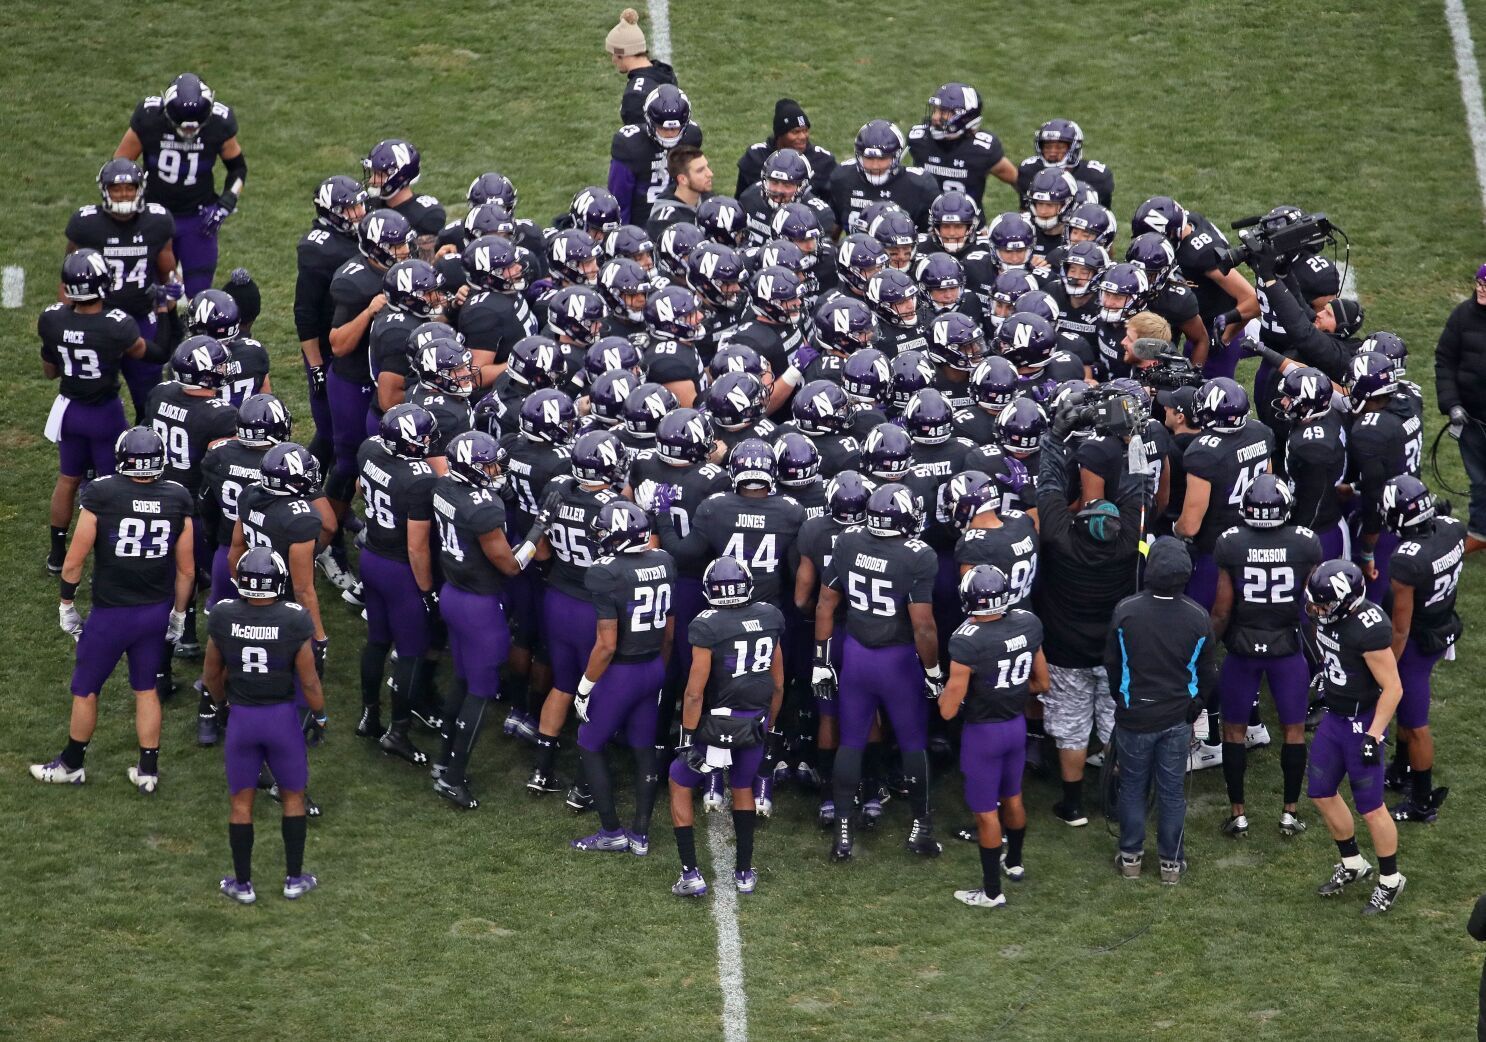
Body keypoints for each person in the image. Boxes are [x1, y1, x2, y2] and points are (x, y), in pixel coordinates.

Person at [30, 427, 194, 794]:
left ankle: (72, 764)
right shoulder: (177, 497)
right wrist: (179, 615)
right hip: (154, 611)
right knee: (146, 688)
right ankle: (148, 771)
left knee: (86, 688)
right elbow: (186, 570)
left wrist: (66, 604)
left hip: (111, 614)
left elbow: (73, 563)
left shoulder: (102, 494)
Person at [813, 482, 942, 861]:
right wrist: (933, 671)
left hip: (855, 653)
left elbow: (825, 603)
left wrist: (821, 660)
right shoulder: (918, 556)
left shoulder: (849, 541)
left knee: (850, 741)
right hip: (897, 660)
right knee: (912, 741)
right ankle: (921, 827)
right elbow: (923, 626)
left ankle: (843, 833)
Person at [1032, 412, 1146, 825]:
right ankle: (1118, 800)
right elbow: (1137, 487)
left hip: (1065, 652)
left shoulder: (1060, 539)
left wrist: (1055, 434)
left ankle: (1073, 805)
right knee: (1117, 724)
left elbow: (1047, 485)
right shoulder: (1128, 541)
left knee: (1071, 729)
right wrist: (1132, 437)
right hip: (1113, 653)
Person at [203, 547, 324, 904]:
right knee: (293, 797)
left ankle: (242, 885)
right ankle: (294, 879)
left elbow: (211, 674)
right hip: (282, 720)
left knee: (241, 804)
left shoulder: (223, 616)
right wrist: (320, 716)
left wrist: (222, 705)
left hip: (242, 718)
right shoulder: (294, 618)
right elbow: (310, 682)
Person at [1209, 475, 1322, 837]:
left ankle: (1238, 814)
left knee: (1233, 730)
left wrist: (1208, 645)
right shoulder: (1305, 543)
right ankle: (1289, 812)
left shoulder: (1231, 543)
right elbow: (1316, 601)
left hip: (1242, 649)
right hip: (1287, 648)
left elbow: (1223, 611)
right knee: (1293, 731)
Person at [668, 557, 785, 896]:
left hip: (719, 722)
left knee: (679, 781)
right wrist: (771, 725)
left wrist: (687, 738)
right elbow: (777, 684)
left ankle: (690, 873)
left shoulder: (707, 624)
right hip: (755, 721)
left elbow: (694, 692)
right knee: (744, 786)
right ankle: (745, 873)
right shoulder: (769, 615)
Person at [566, 500, 676, 853]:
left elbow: (606, 645)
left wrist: (584, 688)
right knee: (644, 747)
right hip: (653, 666)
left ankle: (611, 831)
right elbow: (669, 632)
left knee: (589, 742)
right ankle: (641, 834)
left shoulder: (605, 572)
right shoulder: (663, 560)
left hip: (622, 673)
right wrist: (658, 668)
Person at [1104, 536, 1217, 884]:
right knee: (1171, 791)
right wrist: (1194, 707)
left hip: (1135, 716)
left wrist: (1122, 703)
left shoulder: (1127, 610)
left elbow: (1113, 664)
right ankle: (1171, 863)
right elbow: (1207, 673)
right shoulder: (1198, 617)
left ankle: (1130, 859)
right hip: (1175, 719)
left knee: (1133, 786)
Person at [41, 250, 157, 573]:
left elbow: (49, 371)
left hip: (69, 412)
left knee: (67, 481)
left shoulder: (52, 319)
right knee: (112, 485)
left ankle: (56, 555)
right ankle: (109, 554)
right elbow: (146, 353)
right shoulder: (116, 324)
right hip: (105, 415)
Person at [940, 565, 1048, 908]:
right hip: (1016, 726)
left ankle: (990, 892)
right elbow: (1041, 683)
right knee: (1013, 797)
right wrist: (1011, 692)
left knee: (986, 813)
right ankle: (1014, 862)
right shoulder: (1027, 623)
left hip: (983, 734)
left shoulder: (966, 640)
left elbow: (946, 710)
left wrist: (940, 690)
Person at [430, 431, 528, 808]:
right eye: (487, 464)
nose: (494, 469)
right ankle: (453, 778)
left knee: (461, 679)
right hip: (480, 606)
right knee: (481, 691)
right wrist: (539, 528)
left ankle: (442, 761)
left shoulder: (443, 488)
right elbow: (511, 564)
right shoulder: (484, 507)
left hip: (454, 594)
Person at [1304, 560, 1407, 916]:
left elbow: (1393, 688)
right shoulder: (1327, 615)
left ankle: (1390, 880)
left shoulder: (1369, 628)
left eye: (1324, 605)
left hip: (1361, 722)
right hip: (1335, 716)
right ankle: (1352, 862)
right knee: (1319, 791)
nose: (1316, 611)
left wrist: (1375, 735)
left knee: (1371, 807)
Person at [354, 403, 440, 765]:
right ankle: (398, 732)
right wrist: (426, 590)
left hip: (371, 555)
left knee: (376, 640)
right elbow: (417, 545)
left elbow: (361, 488)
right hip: (401, 571)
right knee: (410, 652)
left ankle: (370, 716)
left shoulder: (370, 448)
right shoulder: (419, 479)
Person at [64, 159, 180, 419]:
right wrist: (67, 316)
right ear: (105, 190)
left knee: (148, 395)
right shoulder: (86, 223)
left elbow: (167, 271)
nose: (124, 194)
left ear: (140, 189)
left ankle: (146, 445)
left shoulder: (158, 221)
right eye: (117, 189)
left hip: (141, 315)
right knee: (94, 391)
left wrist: (172, 291)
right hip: (98, 318)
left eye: (130, 188)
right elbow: (69, 271)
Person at [114, 73, 245, 295]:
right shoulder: (149, 119)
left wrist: (226, 203)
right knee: (150, 290)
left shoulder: (219, 123)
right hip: (152, 214)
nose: (189, 132)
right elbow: (119, 167)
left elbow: (238, 169)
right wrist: (133, 207)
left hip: (198, 217)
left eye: (195, 128)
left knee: (199, 290)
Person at [1382, 475, 1464, 824]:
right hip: (1443, 623)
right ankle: (1400, 769)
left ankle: (1422, 801)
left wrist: (1387, 668)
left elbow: (1400, 628)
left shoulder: (1407, 560)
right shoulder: (1452, 528)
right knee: (1406, 712)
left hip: (1417, 642)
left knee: (1416, 724)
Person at [1433, 262, 1486, 553]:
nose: (1482, 290)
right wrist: (1451, 404)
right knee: (1479, 479)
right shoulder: (1463, 316)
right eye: (1480, 284)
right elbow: (1444, 360)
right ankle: (1480, 532)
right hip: (1473, 417)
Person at [906, 82, 1016, 208]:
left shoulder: (982, 150)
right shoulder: (920, 140)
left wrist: (1026, 209)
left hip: (968, 224)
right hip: (926, 222)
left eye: (943, 112)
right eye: (935, 110)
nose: (935, 117)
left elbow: (1018, 180)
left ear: (964, 117)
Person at [610, 85, 703, 229]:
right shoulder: (629, 146)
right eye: (664, 128)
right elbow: (620, 202)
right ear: (650, 121)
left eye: (674, 128)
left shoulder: (692, 137)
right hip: (642, 227)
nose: (670, 134)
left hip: (681, 221)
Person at [736, 98, 836, 199]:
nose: (802, 137)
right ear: (780, 134)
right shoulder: (756, 157)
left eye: (805, 130)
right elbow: (741, 200)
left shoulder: (822, 160)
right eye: (795, 132)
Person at [605, 8, 679, 128]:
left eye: (612, 53)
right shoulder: (664, 72)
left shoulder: (635, 95)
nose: (612, 59)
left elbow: (640, 142)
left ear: (621, 54)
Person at [646, 146, 713, 241]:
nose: (710, 174)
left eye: (707, 167)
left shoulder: (708, 197)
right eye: (700, 170)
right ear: (683, 179)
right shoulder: (665, 222)